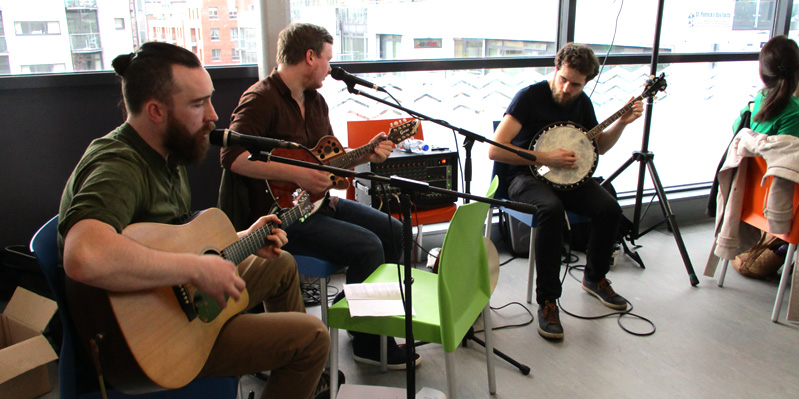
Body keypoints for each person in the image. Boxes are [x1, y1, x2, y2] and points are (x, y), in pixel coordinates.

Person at [57, 42, 329, 399]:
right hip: (157, 339)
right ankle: (293, 365)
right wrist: (195, 270)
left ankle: (287, 373)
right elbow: (85, 255)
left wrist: (244, 237)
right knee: (312, 340)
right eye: (198, 104)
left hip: (179, 300)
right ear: (155, 110)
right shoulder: (118, 165)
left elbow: (171, 240)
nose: (213, 116)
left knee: (281, 265)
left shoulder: (166, 153)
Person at [217, 23, 415, 368]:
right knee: (368, 245)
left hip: (320, 205)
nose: (329, 68)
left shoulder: (316, 101)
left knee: (396, 232)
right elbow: (232, 157)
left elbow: (328, 163)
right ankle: (369, 343)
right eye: (327, 59)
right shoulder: (260, 99)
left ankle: (355, 312)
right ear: (310, 57)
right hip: (280, 218)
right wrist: (297, 174)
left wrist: (366, 154)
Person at [488, 43, 643, 340]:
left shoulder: (582, 102)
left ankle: (595, 278)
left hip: (567, 176)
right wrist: (545, 157)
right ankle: (548, 301)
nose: (567, 87)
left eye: (576, 84)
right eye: (564, 79)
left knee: (609, 208)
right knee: (551, 211)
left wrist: (622, 123)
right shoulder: (529, 97)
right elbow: (495, 150)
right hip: (524, 176)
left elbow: (598, 148)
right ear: (556, 67)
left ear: (586, 82)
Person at [736, 35, 799, 137]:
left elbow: (736, 126)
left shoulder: (761, 96)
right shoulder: (795, 113)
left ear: (763, 72)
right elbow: (784, 152)